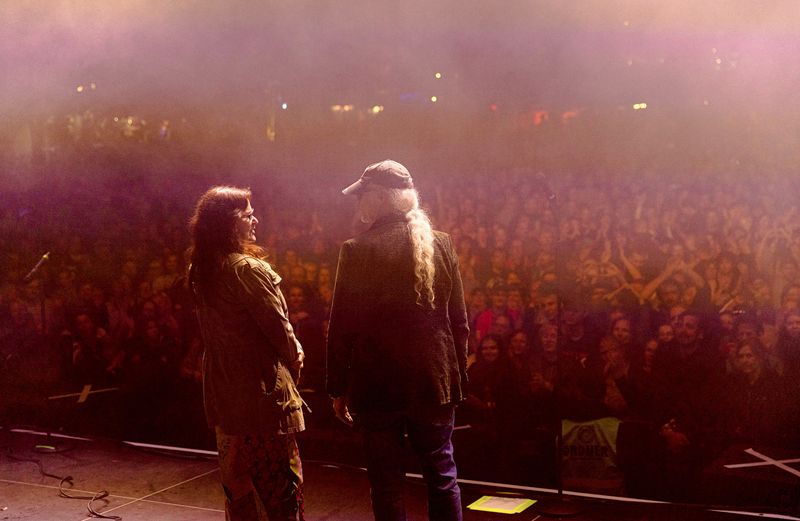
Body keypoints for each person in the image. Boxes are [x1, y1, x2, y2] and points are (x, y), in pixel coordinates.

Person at [327, 160, 469, 521]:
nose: (358, 204)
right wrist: (456, 379)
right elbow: (459, 323)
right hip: (433, 383)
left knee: (386, 483)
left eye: (362, 196)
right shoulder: (442, 244)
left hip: (378, 387)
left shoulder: (358, 249)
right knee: (441, 476)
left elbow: (343, 325)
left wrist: (337, 387)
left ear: (377, 197)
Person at [188, 186, 305, 521]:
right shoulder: (247, 270)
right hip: (260, 393)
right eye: (247, 214)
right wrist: (295, 357)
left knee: (238, 483)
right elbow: (281, 333)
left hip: (224, 391)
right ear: (229, 223)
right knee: (279, 486)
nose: (255, 219)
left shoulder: (201, 270)